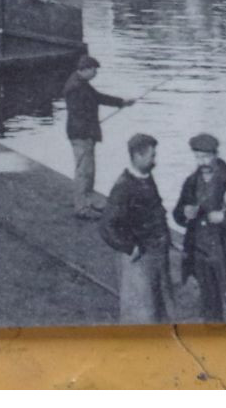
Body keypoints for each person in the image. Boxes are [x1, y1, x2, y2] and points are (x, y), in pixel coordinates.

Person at [172, 133, 226, 321]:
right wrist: (184, 213)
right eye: (197, 157)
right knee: (209, 308)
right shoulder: (191, 182)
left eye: (206, 157)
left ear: (216, 155)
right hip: (201, 256)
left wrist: (225, 219)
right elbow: (177, 213)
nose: (202, 162)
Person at [99, 133, 173, 323]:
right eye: (152, 156)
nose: (155, 160)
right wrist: (129, 247)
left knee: (159, 308)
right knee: (141, 311)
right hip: (139, 258)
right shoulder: (123, 187)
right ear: (138, 156)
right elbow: (107, 226)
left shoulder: (146, 177)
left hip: (156, 252)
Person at [62, 54, 134, 220]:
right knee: (84, 171)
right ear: (85, 69)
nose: (95, 73)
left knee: (88, 169)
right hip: (82, 134)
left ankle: (86, 200)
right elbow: (79, 111)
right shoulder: (75, 87)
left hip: (84, 132)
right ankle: (82, 208)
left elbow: (97, 98)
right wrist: (91, 124)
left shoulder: (81, 83)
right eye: (94, 70)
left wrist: (121, 102)